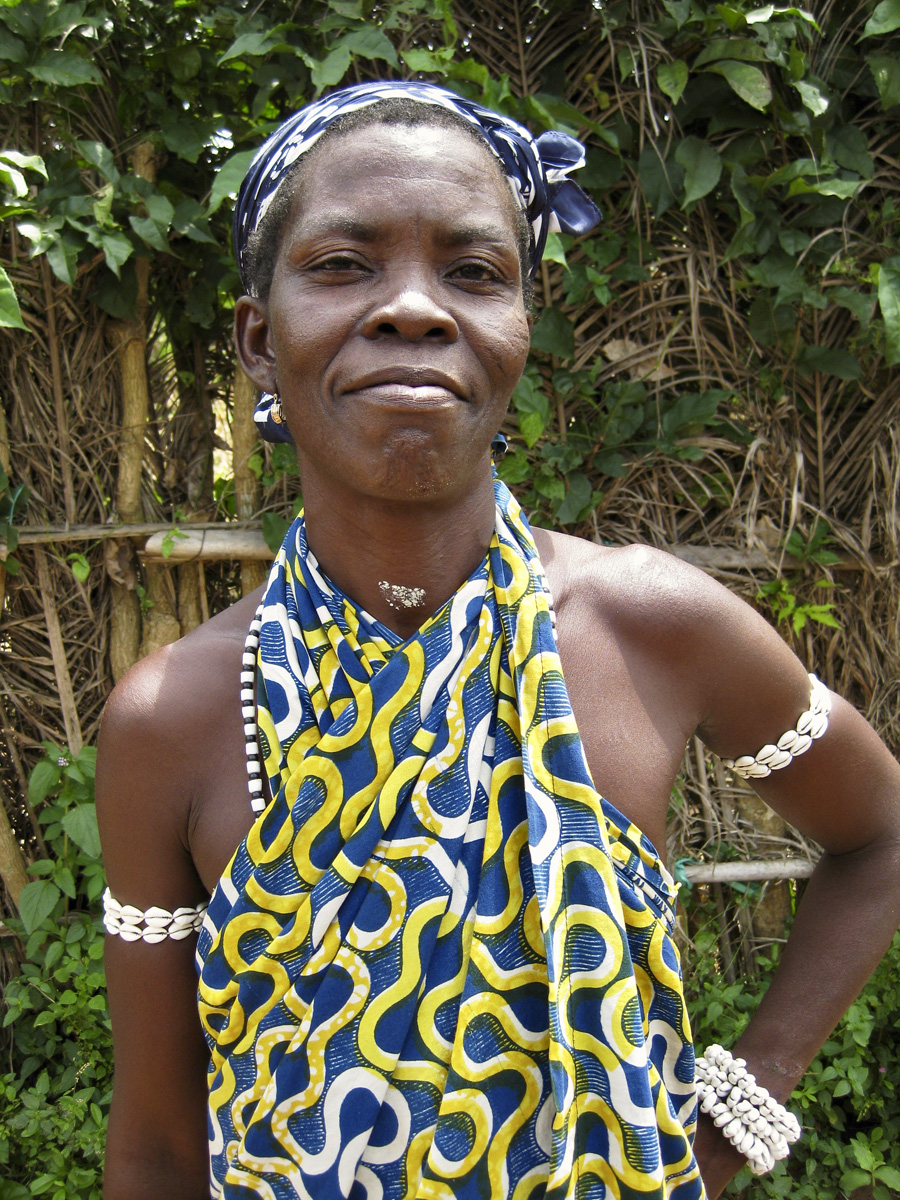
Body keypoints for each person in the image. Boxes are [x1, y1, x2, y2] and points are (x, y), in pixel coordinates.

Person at [96, 80, 900, 1200]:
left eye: (474, 272)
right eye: (344, 264)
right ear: (258, 340)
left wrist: (732, 1118)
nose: (413, 309)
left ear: (520, 331)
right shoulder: (171, 721)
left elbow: (881, 835)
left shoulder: (653, 627)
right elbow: (156, 1148)